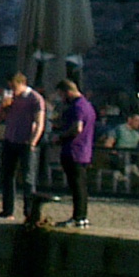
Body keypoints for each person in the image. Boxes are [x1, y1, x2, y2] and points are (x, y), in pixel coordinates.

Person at [0, 73, 47, 220]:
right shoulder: (11, 99)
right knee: (7, 176)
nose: (12, 89)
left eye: (14, 86)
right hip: (10, 140)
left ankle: (29, 211)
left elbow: (40, 122)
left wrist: (33, 142)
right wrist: (2, 105)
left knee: (28, 178)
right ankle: (7, 210)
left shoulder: (35, 99)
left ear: (21, 83)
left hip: (26, 142)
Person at [56, 77, 97, 228]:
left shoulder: (77, 106)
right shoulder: (88, 105)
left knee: (77, 186)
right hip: (84, 151)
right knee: (81, 186)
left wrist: (60, 137)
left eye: (61, 95)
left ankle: (78, 217)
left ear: (67, 92)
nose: (61, 98)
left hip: (74, 151)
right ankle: (81, 217)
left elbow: (77, 128)